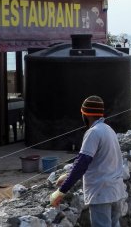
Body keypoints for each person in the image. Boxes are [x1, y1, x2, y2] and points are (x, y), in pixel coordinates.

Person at [50, 96, 127, 227]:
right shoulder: (109, 130)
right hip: (115, 190)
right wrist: (68, 175)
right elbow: (97, 160)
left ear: (85, 115)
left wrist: (61, 191)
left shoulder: (93, 133)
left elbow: (82, 163)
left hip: (101, 192)